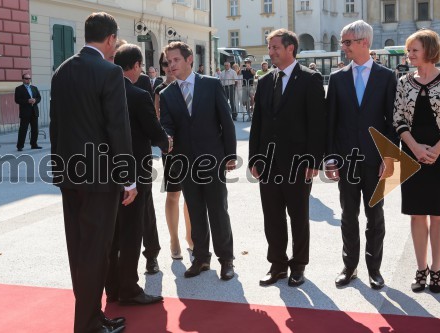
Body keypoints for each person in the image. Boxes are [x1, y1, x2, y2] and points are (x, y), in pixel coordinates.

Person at [49, 12, 135, 333]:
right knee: (96, 253)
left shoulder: (61, 71)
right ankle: (87, 324)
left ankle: (91, 316)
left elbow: (55, 126)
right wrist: (128, 177)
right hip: (101, 179)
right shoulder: (110, 72)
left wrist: (60, 172)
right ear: (111, 39)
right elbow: (118, 129)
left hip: (69, 177)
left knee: (79, 251)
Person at [248, 28, 326, 288]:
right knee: (271, 215)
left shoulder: (310, 79)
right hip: (267, 163)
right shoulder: (265, 80)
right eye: (269, 48)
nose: (270, 53)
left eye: (275, 48)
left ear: (290, 48)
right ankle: (277, 264)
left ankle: (298, 265)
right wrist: (254, 159)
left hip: (298, 162)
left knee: (298, 215)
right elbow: (257, 122)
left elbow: (317, 124)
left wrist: (314, 160)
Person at [325, 20, 397, 290]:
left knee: (375, 217)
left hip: (377, 162)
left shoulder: (387, 77)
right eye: (343, 42)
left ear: (363, 43)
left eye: (347, 42)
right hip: (346, 162)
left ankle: (374, 269)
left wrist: (390, 157)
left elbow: (393, 122)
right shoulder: (337, 78)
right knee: (348, 216)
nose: (343, 47)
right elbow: (330, 122)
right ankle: (350, 266)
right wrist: (330, 158)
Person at [160, 41, 237, 280]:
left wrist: (230, 155)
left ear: (189, 59)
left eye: (176, 60)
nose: (171, 65)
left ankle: (226, 260)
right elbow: (167, 125)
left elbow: (226, 121)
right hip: (184, 162)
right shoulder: (166, 94)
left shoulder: (211, 85)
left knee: (218, 210)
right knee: (195, 210)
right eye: (168, 62)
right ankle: (201, 258)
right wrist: (167, 137)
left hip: (213, 158)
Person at [393, 29, 440, 293]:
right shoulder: (403, 82)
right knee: (417, 214)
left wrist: (437, 150)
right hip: (412, 153)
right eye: (409, 50)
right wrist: (416, 148)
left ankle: (437, 269)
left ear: (429, 51)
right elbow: (397, 118)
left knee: (439, 215)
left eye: (414, 50)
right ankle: (421, 269)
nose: (409, 55)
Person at [105, 43, 169, 305]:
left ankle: (112, 288)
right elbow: (155, 132)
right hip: (135, 172)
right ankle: (130, 289)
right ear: (135, 66)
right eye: (140, 66)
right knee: (132, 232)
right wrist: (167, 142)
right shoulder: (138, 95)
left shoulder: (103, 92)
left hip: (108, 171)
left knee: (112, 234)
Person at [154, 52, 193, 259]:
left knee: (191, 196)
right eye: (165, 63)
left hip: (192, 149)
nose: (169, 66)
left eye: (172, 62)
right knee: (173, 194)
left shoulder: (190, 85)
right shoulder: (161, 90)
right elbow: (157, 119)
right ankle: (174, 239)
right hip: (171, 149)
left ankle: (190, 236)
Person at [15, 74, 42, 151]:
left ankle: (34, 144)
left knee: (35, 129)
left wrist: (35, 100)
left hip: (34, 111)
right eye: (26, 78)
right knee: (23, 129)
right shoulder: (19, 89)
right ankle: (20, 146)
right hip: (25, 112)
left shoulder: (34, 88)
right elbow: (17, 100)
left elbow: (39, 97)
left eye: (29, 78)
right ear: (23, 79)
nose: (28, 80)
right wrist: (27, 101)